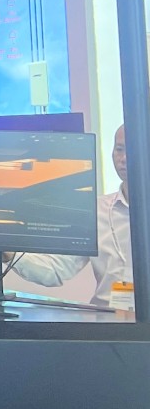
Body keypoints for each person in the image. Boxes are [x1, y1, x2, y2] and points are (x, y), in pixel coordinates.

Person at [13, 123, 134, 304]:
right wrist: (9, 254)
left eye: (131, 150)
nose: (123, 158)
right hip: (107, 318)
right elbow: (57, 269)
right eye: (119, 149)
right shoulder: (95, 210)